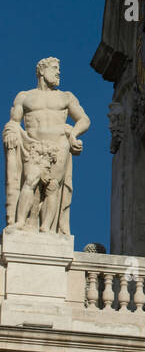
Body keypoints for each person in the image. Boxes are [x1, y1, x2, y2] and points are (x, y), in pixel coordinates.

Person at [3, 58, 90, 234]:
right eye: (55, 69)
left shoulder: (66, 97)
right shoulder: (25, 96)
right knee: (30, 181)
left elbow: (84, 120)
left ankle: (46, 228)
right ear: (42, 70)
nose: (59, 73)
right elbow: (13, 122)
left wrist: (73, 135)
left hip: (59, 146)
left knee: (52, 186)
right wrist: (10, 131)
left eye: (59, 69)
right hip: (33, 146)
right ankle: (20, 222)